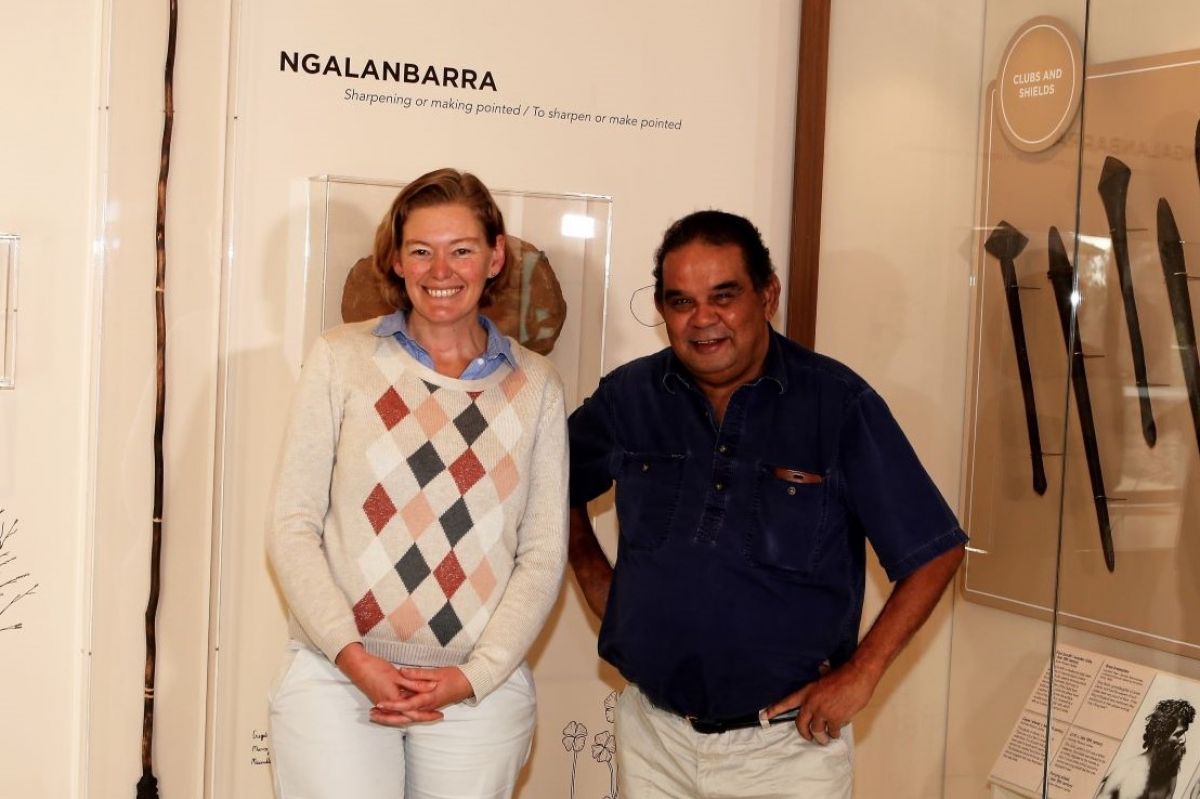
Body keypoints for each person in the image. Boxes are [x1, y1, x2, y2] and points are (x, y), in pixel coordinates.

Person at [567, 210, 967, 798]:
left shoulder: (838, 405)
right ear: (661, 309)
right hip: (652, 740)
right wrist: (594, 572)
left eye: (723, 296)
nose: (703, 320)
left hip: (786, 752)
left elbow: (935, 550)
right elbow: (551, 481)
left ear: (768, 294)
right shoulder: (629, 397)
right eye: (681, 302)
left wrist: (863, 674)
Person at [266, 168, 568, 799]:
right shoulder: (340, 359)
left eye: (461, 249)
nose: (441, 269)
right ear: (397, 261)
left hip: (476, 689)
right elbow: (292, 527)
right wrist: (355, 659)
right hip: (337, 676)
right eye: (421, 250)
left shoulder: (536, 385)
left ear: (495, 257)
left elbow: (541, 556)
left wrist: (473, 676)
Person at [1094, 698, 1195, 799]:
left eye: (1184, 732)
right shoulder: (1121, 775)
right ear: (1159, 738)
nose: (1183, 739)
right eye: (1178, 734)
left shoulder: (1171, 771)